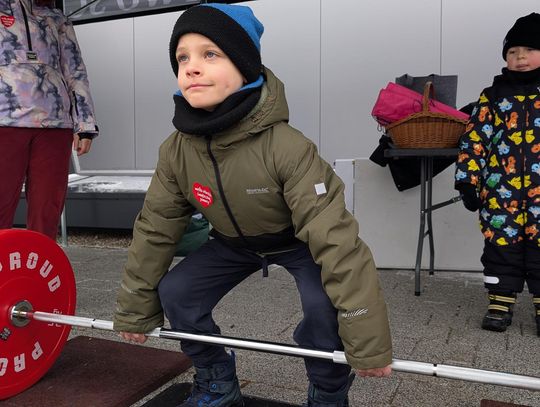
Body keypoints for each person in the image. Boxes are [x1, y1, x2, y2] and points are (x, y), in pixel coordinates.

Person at [113, 4, 392, 406]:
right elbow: (156, 228)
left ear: (244, 66)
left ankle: (329, 391)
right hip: (231, 244)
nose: (191, 67)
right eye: (182, 58)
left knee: (324, 306)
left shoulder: (288, 148)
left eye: (210, 54)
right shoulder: (176, 151)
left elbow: (336, 240)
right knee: (177, 292)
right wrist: (135, 308)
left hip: (297, 243)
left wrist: (368, 341)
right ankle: (217, 380)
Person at [455, 12, 540, 336]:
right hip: (500, 194)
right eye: (513, 52)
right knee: (500, 248)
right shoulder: (493, 96)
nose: (520, 58)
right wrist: (467, 180)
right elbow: (475, 139)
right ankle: (499, 303)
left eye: (529, 50)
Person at [0, 0, 98, 240]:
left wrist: (85, 123)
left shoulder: (57, 18)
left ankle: (41, 263)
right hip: (4, 122)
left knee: (47, 214)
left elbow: (75, 71)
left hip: (55, 125)